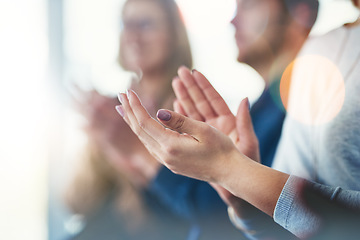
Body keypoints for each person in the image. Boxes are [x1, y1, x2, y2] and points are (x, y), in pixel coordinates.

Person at [115, 0, 360, 238]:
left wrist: (232, 170)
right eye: (126, 24)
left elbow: (211, 213)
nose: (232, 20)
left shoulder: (296, 90)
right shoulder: (324, 51)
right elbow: (283, 223)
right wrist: (240, 192)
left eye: (250, 4)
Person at [65, 0, 241, 239]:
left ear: (173, 35)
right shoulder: (111, 111)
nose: (133, 35)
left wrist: (135, 155)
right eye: (127, 24)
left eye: (145, 24)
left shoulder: (193, 112)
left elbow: (204, 213)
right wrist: (100, 143)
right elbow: (76, 202)